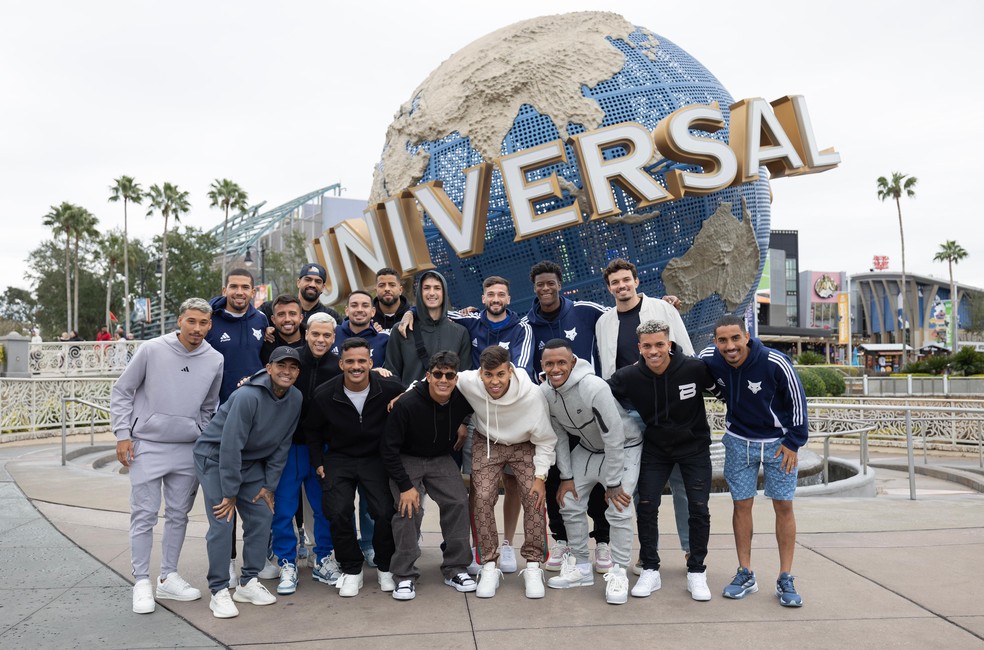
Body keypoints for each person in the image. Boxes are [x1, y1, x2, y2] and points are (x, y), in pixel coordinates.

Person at [110, 297, 224, 614]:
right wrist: (123, 434)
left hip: (187, 447)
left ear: (210, 325)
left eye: (203, 323)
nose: (197, 328)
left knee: (178, 515)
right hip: (147, 443)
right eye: (191, 321)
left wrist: (200, 433)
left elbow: (209, 406)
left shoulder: (215, 358)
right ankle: (142, 581)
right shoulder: (152, 349)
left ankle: (168, 576)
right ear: (180, 320)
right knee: (144, 515)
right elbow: (123, 390)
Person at [699, 315, 808, 607]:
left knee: (783, 505)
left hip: (778, 444)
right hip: (738, 441)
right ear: (715, 342)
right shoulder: (710, 357)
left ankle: (786, 576)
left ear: (747, 337)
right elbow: (697, 375)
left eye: (735, 338)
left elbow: (797, 401)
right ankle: (745, 572)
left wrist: (793, 442)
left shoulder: (775, 362)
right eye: (722, 340)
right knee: (741, 504)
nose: (729, 345)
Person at [595, 257, 694, 576]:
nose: (621, 286)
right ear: (609, 288)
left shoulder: (663, 310)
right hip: (630, 415)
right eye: (615, 282)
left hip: (669, 409)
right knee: (639, 488)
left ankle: (691, 549)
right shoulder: (604, 322)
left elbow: (686, 354)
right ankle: (645, 552)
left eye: (626, 280)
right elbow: (607, 371)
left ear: (636, 281)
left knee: (681, 483)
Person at [608, 320, 719, 602]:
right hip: (656, 449)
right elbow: (600, 395)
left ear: (669, 344)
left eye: (659, 344)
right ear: (639, 348)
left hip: (693, 448)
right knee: (646, 506)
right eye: (647, 346)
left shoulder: (694, 369)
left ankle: (696, 571)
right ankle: (650, 568)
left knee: (698, 508)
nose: (654, 351)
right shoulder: (628, 377)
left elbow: (726, 388)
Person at [194, 346, 303, 619]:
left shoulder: (296, 398)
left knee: (262, 515)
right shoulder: (247, 396)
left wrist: (269, 485)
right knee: (222, 522)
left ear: (298, 372)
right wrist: (229, 493)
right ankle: (219, 590)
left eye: (292, 367)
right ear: (269, 368)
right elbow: (230, 445)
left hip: (251, 462)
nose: (286, 371)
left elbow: (282, 444)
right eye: (281, 365)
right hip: (216, 458)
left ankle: (248, 582)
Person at [538, 339, 641, 605]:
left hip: (623, 446)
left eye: (562, 362)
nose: (556, 368)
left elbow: (614, 434)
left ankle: (618, 572)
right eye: (549, 363)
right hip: (587, 447)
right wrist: (566, 476)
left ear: (572, 362)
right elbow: (559, 434)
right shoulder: (545, 392)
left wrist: (615, 481)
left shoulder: (593, 386)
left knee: (619, 507)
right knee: (568, 500)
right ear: (542, 365)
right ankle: (581, 567)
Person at [524, 260, 611, 573]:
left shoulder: (586, 310)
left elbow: (623, 313)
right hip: (553, 415)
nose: (545, 289)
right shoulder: (528, 324)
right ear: (533, 288)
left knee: (598, 479)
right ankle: (561, 540)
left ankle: (603, 541)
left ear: (560, 283)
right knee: (557, 479)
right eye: (539, 285)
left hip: (588, 413)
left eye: (550, 283)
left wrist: (660, 307)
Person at [304, 338, 406, 597]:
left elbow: (415, 398)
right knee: (338, 511)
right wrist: (318, 462)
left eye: (362, 361)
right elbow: (312, 431)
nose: (356, 366)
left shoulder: (390, 387)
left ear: (371, 363)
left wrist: (403, 398)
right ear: (341, 364)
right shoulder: (325, 394)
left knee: (384, 511)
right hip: (339, 458)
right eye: (350, 361)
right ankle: (352, 569)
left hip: (375, 458)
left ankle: (384, 566)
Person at [455, 345, 556, 599]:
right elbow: (432, 378)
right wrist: (403, 394)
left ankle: (533, 565)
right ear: (480, 374)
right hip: (487, 441)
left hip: (524, 444)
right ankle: (489, 564)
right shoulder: (470, 381)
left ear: (510, 371)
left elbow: (545, 439)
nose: (494, 381)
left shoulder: (531, 395)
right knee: (482, 496)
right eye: (488, 375)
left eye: (500, 374)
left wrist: (541, 477)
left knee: (533, 496)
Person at [381, 350, 476, 600]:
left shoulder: (461, 399)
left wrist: (464, 422)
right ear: (428, 376)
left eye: (449, 375)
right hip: (407, 458)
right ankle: (403, 574)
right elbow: (388, 449)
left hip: (440, 458)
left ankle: (456, 567)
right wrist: (404, 485)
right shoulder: (407, 404)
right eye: (437, 374)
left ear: (456, 378)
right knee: (409, 508)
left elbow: (479, 403)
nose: (443, 379)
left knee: (458, 502)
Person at [269, 313, 342, 595]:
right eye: (315, 334)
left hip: (322, 450)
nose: (320, 340)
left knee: (324, 507)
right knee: (284, 508)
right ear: (306, 333)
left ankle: (323, 557)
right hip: (289, 447)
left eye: (326, 335)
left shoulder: (339, 367)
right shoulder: (292, 361)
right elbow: (267, 379)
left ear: (334, 338)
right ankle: (287, 561)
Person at [384, 270, 471, 385]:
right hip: (411, 400)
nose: (431, 293)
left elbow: (464, 376)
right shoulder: (401, 329)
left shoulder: (460, 332)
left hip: (449, 401)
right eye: (426, 288)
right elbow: (392, 373)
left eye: (437, 288)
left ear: (444, 292)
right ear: (419, 292)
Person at [206, 268, 269, 404]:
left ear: (253, 292)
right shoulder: (209, 319)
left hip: (255, 402)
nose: (239, 292)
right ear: (224, 291)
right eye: (234, 286)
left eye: (245, 287)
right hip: (219, 406)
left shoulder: (261, 320)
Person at [260, 263, 341, 326]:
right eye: (308, 279)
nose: (312, 284)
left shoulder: (331, 317)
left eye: (318, 281)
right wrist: (264, 329)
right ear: (298, 283)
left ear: (323, 287)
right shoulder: (271, 309)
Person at [331, 290, 390, 367]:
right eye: (354, 305)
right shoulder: (332, 333)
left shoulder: (384, 340)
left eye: (365, 306)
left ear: (373, 312)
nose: (359, 310)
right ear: (347, 311)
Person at [260, 294, 306, 364]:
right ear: (273, 319)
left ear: (301, 318)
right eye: (281, 314)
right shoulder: (264, 343)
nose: (287, 319)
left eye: (292, 314)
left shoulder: (311, 342)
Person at [372, 267, 410, 332]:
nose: (387, 289)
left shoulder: (412, 314)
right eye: (381, 285)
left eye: (392, 285)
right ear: (376, 291)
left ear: (400, 290)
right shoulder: (367, 318)